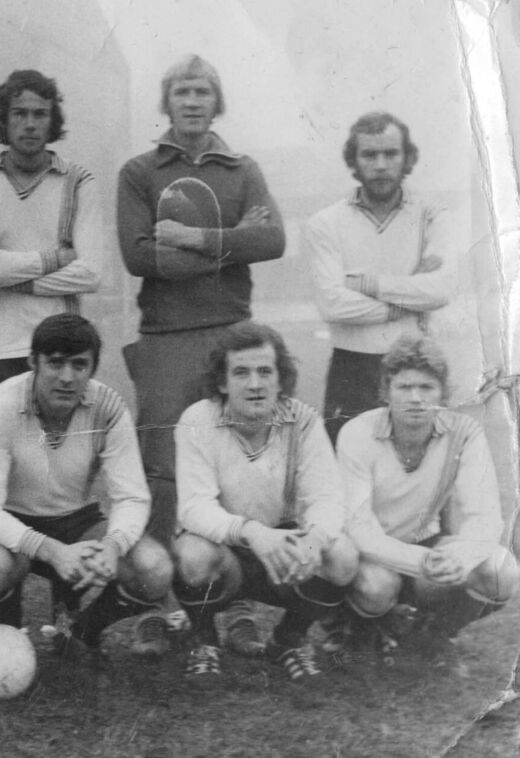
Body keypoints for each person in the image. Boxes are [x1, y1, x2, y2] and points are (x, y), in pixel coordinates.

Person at [115, 54, 285, 653]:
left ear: (218, 102)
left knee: (234, 464)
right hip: (165, 338)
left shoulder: (242, 169)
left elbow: (273, 240)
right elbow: (139, 258)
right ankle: (157, 605)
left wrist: (192, 239)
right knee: (161, 469)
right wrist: (234, 244)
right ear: (167, 102)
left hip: (232, 333)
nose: (192, 101)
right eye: (182, 91)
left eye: (203, 92)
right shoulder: (140, 171)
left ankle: (231, 603)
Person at [0, 314, 172, 658]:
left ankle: (80, 630)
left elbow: (132, 495)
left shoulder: (108, 407)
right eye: (55, 363)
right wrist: (52, 551)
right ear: (33, 362)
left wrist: (113, 546)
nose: (66, 378)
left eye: (79, 365)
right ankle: (9, 636)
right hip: (13, 524)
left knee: (154, 566)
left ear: (92, 367)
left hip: (77, 521)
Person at [173, 322, 358, 683]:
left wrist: (315, 538)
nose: (255, 384)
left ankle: (288, 640)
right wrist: (251, 532)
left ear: (280, 378)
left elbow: (328, 497)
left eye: (265, 372)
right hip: (226, 548)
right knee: (191, 556)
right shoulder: (197, 419)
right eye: (241, 372)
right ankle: (204, 638)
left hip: (284, 546)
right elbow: (194, 507)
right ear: (222, 382)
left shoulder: (302, 420)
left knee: (342, 557)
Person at [334, 335, 518, 660]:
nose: (416, 399)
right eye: (404, 388)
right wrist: (418, 562)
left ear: (442, 393)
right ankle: (359, 625)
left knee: (501, 572)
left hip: (427, 546)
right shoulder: (358, 433)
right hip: (371, 556)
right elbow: (359, 528)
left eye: (427, 388)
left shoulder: (464, 432)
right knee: (377, 588)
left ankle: (435, 634)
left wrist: (461, 559)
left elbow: (484, 516)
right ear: (385, 392)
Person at [304, 112, 454, 443]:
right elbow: (332, 304)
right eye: (370, 155)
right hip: (351, 369)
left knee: (423, 475)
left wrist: (370, 285)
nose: (381, 164)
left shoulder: (432, 216)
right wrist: (406, 301)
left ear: (407, 157)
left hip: (417, 366)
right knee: (349, 478)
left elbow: (440, 289)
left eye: (391, 153)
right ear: (354, 161)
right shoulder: (325, 223)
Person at [0, 69, 102, 401]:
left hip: (63, 349)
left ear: (53, 121)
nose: (30, 123)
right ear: (3, 120)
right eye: (19, 113)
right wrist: (54, 259)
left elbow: (92, 274)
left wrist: (16, 279)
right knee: (1, 451)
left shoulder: (79, 182)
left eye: (40, 114)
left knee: (62, 450)